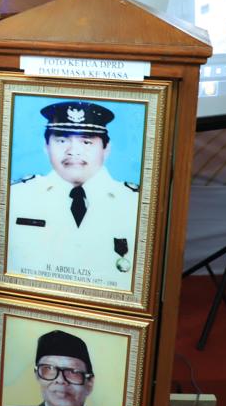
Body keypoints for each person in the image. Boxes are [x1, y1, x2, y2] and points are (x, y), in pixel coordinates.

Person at [8, 101, 140, 290]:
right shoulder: (16, 197)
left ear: (106, 148)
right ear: (46, 146)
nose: (73, 151)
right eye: (62, 140)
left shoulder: (135, 203)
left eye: (86, 141)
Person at [0, 330, 120, 406]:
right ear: (37, 375)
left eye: (73, 372)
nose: (61, 380)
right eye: (49, 369)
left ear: (89, 383)